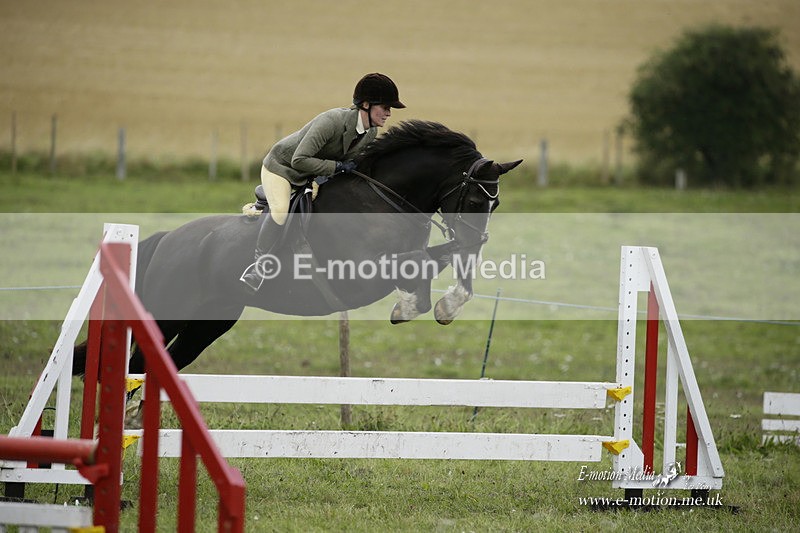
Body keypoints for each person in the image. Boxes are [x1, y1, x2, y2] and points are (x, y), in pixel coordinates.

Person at [240, 73, 406, 291]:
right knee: (281, 211)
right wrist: (336, 167)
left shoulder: (370, 132)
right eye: (384, 107)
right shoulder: (331, 121)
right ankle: (258, 267)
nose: (388, 113)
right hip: (281, 168)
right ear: (366, 104)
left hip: (310, 174)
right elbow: (299, 159)